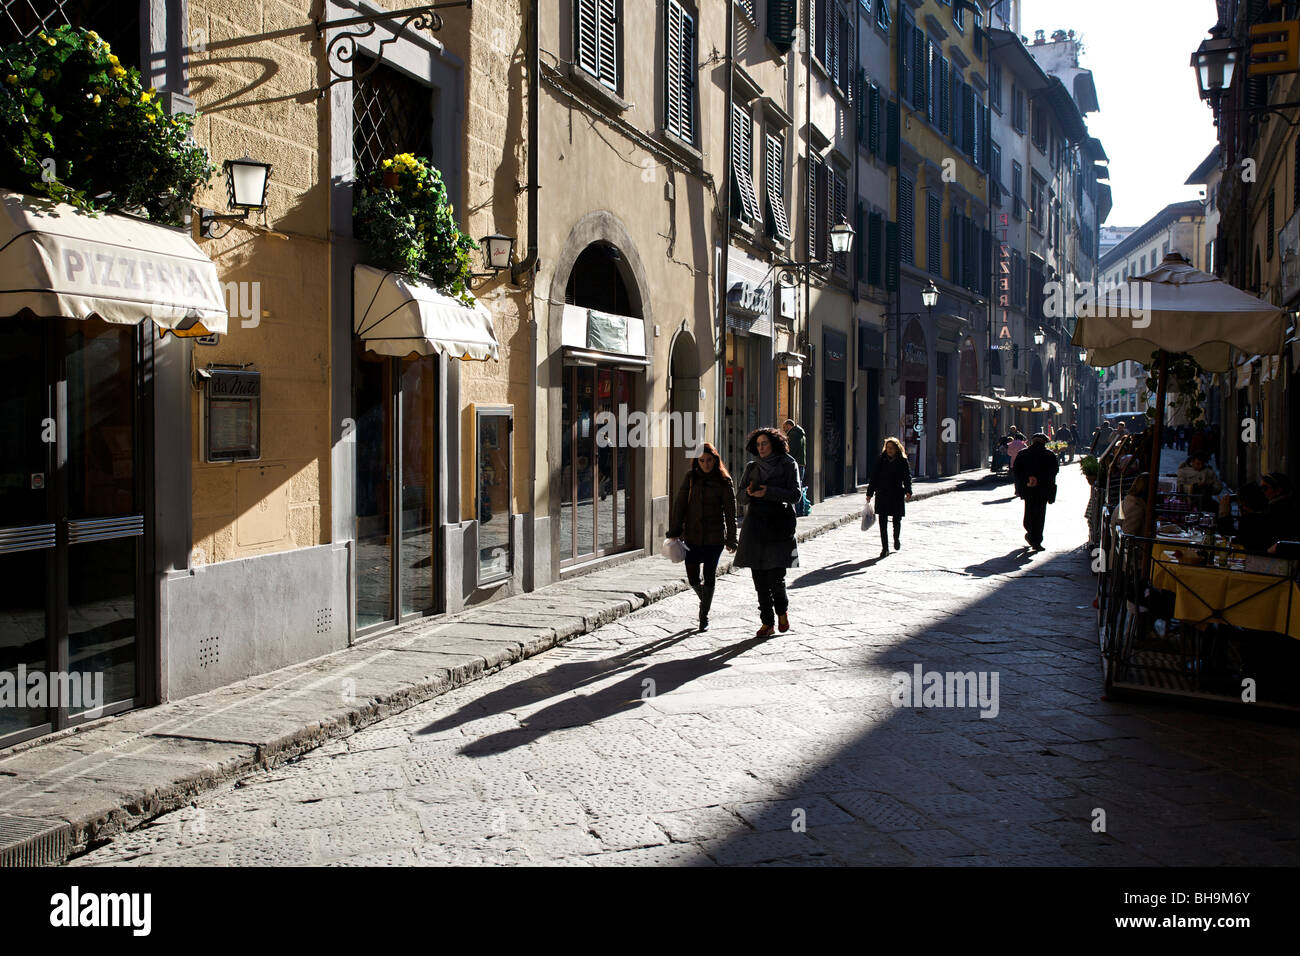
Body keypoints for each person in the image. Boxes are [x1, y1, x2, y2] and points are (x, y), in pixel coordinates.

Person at [734, 427, 801, 638]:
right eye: (759, 444)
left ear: (774, 444)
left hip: (779, 527)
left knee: (775, 577)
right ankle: (766, 622)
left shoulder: (789, 464)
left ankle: (782, 612)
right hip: (755, 527)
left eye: (765, 444)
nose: (761, 448)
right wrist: (748, 492)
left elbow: (796, 495)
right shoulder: (752, 467)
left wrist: (769, 492)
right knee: (759, 578)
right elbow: (740, 497)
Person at [667, 442, 737, 632]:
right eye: (702, 460)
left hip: (715, 539)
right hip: (692, 537)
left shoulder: (724, 480)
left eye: (709, 460)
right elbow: (679, 505)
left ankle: (703, 616)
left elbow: (731, 513)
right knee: (693, 578)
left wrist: (731, 538)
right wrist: (674, 531)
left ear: (715, 460)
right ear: (697, 462)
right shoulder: (690, 478)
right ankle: (705, 600)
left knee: (709, 575)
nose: (706, 464)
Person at [866, 437, 914, 558]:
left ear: (897, 449)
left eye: (892, 448)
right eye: (888, 448)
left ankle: (896, 538)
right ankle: (885, 548)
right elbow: (874, 477)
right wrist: (869, 493)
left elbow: (907, 477)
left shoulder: (902, 461)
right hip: (882, 494)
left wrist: (908, 490)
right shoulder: (881, 460)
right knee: (882, 523)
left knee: (896, 520)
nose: (889, 450)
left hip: (896, 494)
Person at [1013, 432, 1059, 551]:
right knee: (1040, 515)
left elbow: (1016, 471)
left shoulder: (1023, 454)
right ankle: (1036, 540)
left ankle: (1030, 532)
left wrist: (1024, 481)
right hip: (1043, 490)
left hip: (1028, 489)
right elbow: (1054, 472)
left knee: (1029, 510)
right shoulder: (1050, 455)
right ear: (1044, 442)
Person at [1217, 483, 1272, 554]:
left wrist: (1224, 514)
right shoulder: (1268, 515)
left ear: (1245, 504)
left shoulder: (1250, 519)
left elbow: (1231, 537)